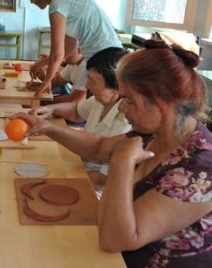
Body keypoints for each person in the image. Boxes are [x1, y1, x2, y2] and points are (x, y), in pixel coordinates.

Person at [14, 39, 212, 267]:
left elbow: (116, 238)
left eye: (128, 99)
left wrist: (122, 163)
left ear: (162, 103)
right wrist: (47, 127)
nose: (121, 107)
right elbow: (99, 147)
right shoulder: (154, 131)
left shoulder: (200, 167)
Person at [30, 47, 131, 194]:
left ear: (116, 89)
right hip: (79, 168)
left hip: (94, 192)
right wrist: (50, 110)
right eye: (88, 77)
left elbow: (101, 181)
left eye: (93, 81)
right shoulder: (99, 100)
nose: (87, 85)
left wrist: (58, 179)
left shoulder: (125, 124)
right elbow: (76, 111)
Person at [21, 0, 122, 96]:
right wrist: (40, 64)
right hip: (111, 55)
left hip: (105, 58)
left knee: (104, 106)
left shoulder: (56, 4)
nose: (31, 1)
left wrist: (47, 81)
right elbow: (69, 50)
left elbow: (57, 54)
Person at [35, 35, 87, 104]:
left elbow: (75, 100)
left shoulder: (85, 67)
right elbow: (59, 80)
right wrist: (43, 77)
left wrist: (46, 102)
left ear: (80, 49)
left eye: (67, 49)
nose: (62, 52)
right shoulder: (72, 63)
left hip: (78, 110)